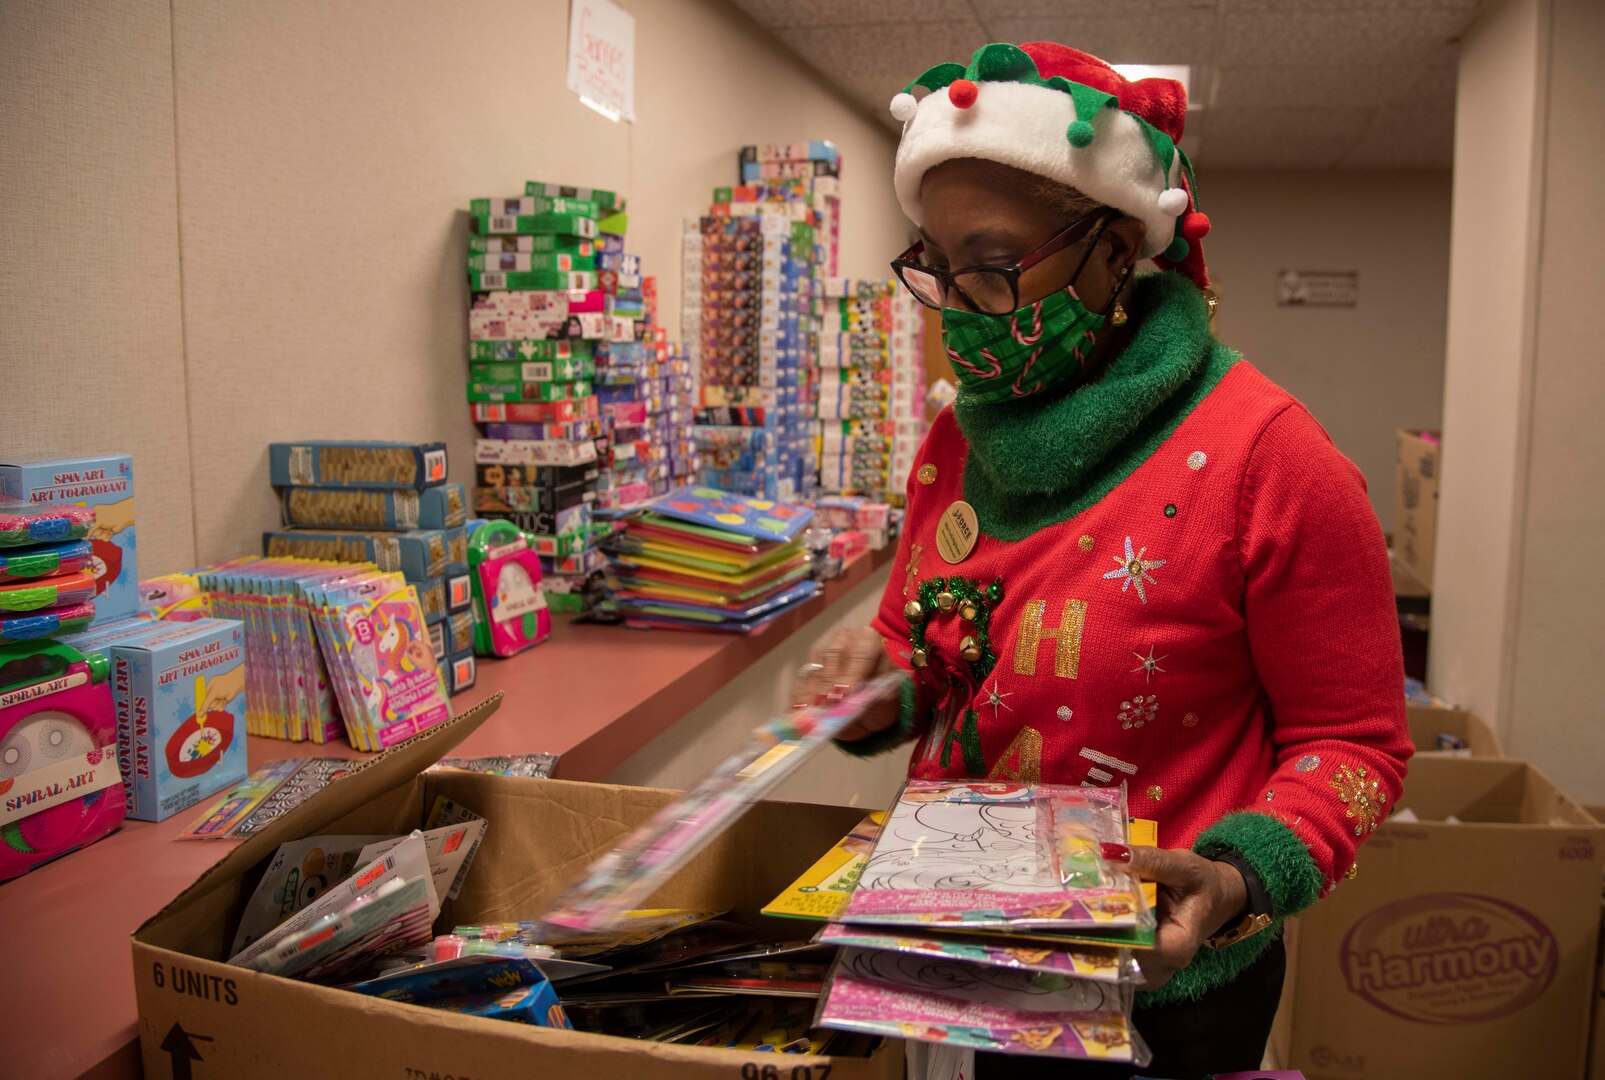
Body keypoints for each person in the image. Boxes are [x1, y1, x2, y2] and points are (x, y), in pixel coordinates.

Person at [792, 41, 1413, 1078]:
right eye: (934, 267)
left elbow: (1355, 746)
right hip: (957, 944)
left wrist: (1236, 878)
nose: (955, 305)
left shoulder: (1274, 461)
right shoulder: (958, 442)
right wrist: (877, 685)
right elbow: (927, 644)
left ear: (1119, 250)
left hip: (1171, 982)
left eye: (990, 265)